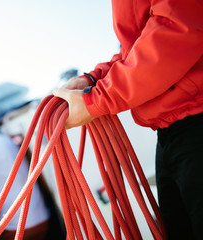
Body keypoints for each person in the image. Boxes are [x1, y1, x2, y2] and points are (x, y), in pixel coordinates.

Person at [53, 0, 203, 239]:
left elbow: (177, 28)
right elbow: (137, 46)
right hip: (172, 130)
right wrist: (94, 79)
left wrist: (97, 100)